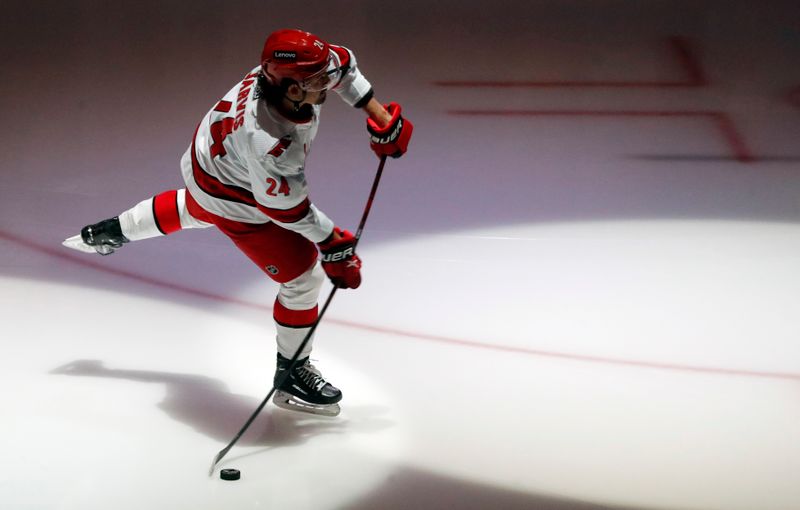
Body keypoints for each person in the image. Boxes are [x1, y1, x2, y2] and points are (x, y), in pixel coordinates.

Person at [62, 29, 413, 417]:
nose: (325, 85)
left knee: (193, 207)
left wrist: (380, 118)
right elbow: (287, 210)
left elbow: (342, 64)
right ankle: (291, 372)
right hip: (231, 193)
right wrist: (333, 245)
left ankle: (111, 231)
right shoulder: (270, 144)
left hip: (211, 167)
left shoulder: (285, 77)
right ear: (290, 88)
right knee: (303, 278)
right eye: (315, 82)